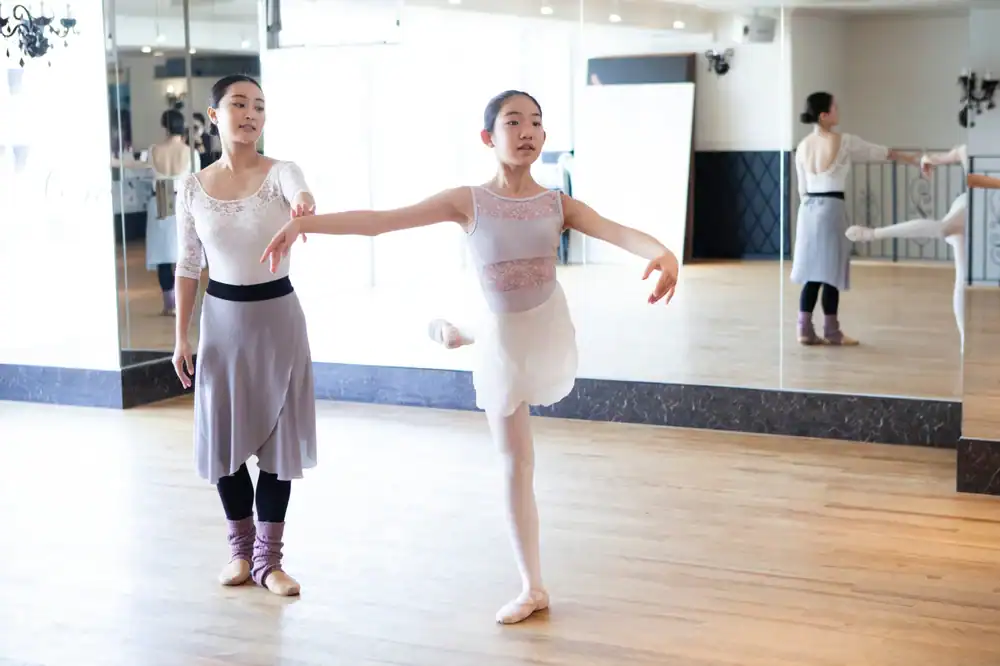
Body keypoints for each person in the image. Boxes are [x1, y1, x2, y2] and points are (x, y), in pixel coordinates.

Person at [259, 89, 680, 625]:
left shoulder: (558, 204)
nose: (527, 130)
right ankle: (533, 586)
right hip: (505, 338)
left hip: (547, 325)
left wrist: (662, 253)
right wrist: (305, 224)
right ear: (488, 137)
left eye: (536, 122)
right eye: (513, 121)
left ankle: (460, 331)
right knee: (516, 462)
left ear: (544, 136)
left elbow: (619, 232)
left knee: (510, 407)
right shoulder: (469, 201)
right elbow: (384, 220)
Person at [171, 74, 318, 597]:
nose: (250, 113)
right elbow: (189, 264)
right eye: (238, 104)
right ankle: (239, 550)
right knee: (224, 440)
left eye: (259, 105)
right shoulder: (191, 187)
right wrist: (181, 336)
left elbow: (302, 193)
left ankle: (269, 562)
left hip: (278, 318)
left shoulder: (282, 172)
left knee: (278, 443)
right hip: (221, 323)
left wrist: (302, 205)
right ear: (215, 115)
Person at [793, 91, 920, 346]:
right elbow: (880, 152)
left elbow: (802, 188)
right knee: (831, 272)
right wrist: (914, 160)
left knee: (812, 273)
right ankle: (832, 331)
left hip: (807, 211)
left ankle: (804, 330)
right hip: (831, 209)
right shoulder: (844, 141)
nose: (839, 110)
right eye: (835, 107)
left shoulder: (803, 146)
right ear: (824, 115)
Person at [845, 144, 968, 346]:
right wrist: (926, 160)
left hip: (981, 206)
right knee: (958, 268)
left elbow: (934, 157)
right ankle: (965, 340)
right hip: (971, 205)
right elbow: (936, 157)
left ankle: (873, 234)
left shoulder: (969, 148)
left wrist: (926, 160)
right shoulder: (967, 148)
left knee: (961, 275)